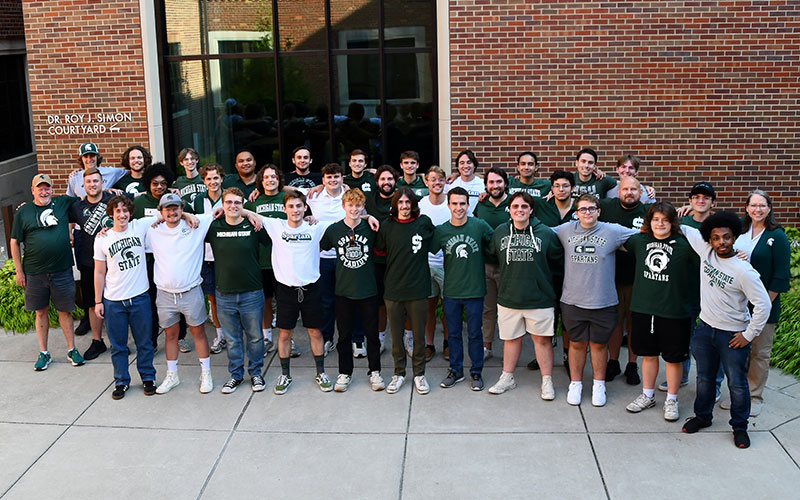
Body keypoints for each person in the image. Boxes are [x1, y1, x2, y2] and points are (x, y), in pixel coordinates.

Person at [680, 211, 771, 449]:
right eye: (717, 238)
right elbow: (684, 228)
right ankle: (703, 417)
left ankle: (740, 428)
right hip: (705, 329)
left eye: (727, 237)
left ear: (734, 238)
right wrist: (679, 210)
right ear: (709, 240)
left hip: (732, 336)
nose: (721, 242)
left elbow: (764, 304)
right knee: (704, 379)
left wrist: (748, 335)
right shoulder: (706, 251)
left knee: (737, 384)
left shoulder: (744, 270)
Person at [552, 193, 638, 406]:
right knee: (577, 344)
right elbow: (539, 233)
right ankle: (576, 383)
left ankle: (599, 384)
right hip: (573, 300)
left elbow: (646, 234)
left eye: (591, 209)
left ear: (599, 211)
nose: (587, 213)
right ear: (576, 213)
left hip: (603, 301)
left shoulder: (613, 231)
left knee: (599, 345)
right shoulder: (565, 230)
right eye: (583, 209)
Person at [622, 202, 698, 421]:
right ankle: (647, 395)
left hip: (675, 311)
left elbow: (710, 258)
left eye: (665, 220)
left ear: (673, 222)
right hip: (644, 309)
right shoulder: (639, 241)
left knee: (673, 359)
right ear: (649, 221)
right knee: (648, 355)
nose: (660, 224)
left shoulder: (685, 245)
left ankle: (672, 399)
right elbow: (614, 242)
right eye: (655, 219)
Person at [486, 192, 564, 398]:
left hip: (539, 298)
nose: (519, 210)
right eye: (515, 207)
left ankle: (547, 381)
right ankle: (507, 377)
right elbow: (492, 255)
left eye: (524, 207)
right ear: (509, 210)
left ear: (531, 210)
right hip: (509, 297)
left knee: (542, 341)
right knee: (511, 339)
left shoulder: (546, 233)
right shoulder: (500, 232)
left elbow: (557, 262)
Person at [721, 190, 790, 417]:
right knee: (738, 352)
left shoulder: (776, 236)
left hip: (763, 305)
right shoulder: (740, 228)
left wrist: (763, 305)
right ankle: (738, 395)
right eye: (753, 205)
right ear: (747, 207)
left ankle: (754, 396)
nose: (757, 210)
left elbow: (781, 276)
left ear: (769, 208)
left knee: (759, 353)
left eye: (762, 205)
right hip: (737, 304)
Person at [10, 173, 84, 371]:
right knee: (40, 312)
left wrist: (111, 190)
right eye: (39, 188)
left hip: (61, 271)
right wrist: (19, 271)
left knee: (65, 311)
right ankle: (44, 352)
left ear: (52, 189)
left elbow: (88, 199)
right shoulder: (23, 212)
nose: (44, 191)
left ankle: (71, 350)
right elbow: (14, 241)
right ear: (32, 190)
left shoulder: (62, 203)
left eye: (47, 188)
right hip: (35, 272)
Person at [147, 193, 215, 395]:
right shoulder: (152, 229)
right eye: (167, 208)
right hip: (165, 293)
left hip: (191, 290)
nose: (172, 212)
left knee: (198, 333)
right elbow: (123, 224)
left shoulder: (196, 224)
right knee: (171, 335)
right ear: (160, 212)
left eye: (176, 207)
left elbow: (219, 212)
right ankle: (172, 375)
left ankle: (206, 373)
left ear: (182, 208)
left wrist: (187, 215)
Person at [320, 188, 385, 391]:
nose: (354, 209)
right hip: (344, 291)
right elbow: (319, 247)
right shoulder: (334, 230)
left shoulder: (370, 227)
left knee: (372, 335)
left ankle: (375, 372)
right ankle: (344, 373)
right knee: (344, 336)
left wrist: (369, 217)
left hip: (368, 290)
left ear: (362, 206)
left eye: (358, 205)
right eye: (351, 205)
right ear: (344, 206)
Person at [205, 188, 269, 394]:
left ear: (243, 205)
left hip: (251, 292)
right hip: (224, 293)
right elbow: (188, 222)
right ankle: (236, 375)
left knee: (255, 337)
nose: (233, 206)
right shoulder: (213, 227)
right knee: (232, 340)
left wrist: (250, 214)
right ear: (222, 205)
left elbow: (277, 231)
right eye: (229, 202)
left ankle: (256, 373)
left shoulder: (254, 226)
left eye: (238, 203)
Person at [93, 195, 156, 399]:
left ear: (130, 212)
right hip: (114, 301)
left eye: (125, 210)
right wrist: (97, 301)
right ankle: (121, 381)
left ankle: (148, 377)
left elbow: (166, 213)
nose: (122, 214)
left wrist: (190, 216)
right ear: (111, 214)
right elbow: (99, 272)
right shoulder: (103, 238)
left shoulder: (139, 226)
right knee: (118, 345)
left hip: (139, 297)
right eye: (117, 211)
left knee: (145, 342)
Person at [431, 187, 493, 391]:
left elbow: (495, 244)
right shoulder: (441, 230)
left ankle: (476, 372)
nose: (459, 207)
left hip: (475, 290)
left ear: (468, 205)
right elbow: (426, 247)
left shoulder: (479, 226)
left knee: (475, 334)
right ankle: (456, 370)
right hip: (451, 291)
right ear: (448, 205)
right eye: (455, 203)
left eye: (462, 203)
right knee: (454, 334)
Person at [376, 187, 435, 395]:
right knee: (396, 334)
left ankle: (419, 374)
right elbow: (380, 250)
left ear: (413, 204)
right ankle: (399, 373)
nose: (404, 206)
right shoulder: (387, 226)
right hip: (393, 289)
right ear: (395, 205)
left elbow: (436, 242)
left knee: (419, 336)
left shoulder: (424, 222)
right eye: (400, 203)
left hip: (418, 288)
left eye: (407, 202)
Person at [599, 176, 652, 385]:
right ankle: (613, 361)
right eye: (625, 189)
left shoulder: (649, 212)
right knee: (614, 323)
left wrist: (688, 209)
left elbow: (671, 221)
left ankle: (632, 364)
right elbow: (579, 204)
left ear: (641, 193)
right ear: (618, 191)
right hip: (610, 277)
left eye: (634, 189)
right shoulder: (606, 206)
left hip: (638, 279)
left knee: (634, 324)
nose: (629, 193)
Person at [243, 164, 295, 357]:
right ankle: (267, 338)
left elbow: (301, 199)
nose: (270, 180)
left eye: (274, 176)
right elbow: (239, 213)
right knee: (265, 301)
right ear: (261, 181)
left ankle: (288, 338)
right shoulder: (253, 203)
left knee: (285, 301)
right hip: (261, 259)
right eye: (266, 177)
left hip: (284, 259)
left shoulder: (287, 198)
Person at [530, 170, 578, 372]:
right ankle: (543, 355)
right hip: (546, 271)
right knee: (546, 315)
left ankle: (568, 355)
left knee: (567, 317)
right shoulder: (542, 205)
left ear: (572, 188)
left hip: (573, 271)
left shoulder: (580, 208)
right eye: (557, 185)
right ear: (551, 188)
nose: (561, 189)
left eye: (565, 185)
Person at [68, 167, 113, 361]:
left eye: (96, 181)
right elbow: (59, 212)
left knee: (113, 302)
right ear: (83, 185)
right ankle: (97, 341)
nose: (92, 184)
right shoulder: (77, 207)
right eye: (88, 182)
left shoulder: (113, 201)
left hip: (113, 261)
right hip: (88, 261)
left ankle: (117, 341)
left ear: (102, 183)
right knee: (92, 303)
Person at [307, 163, 347, 357]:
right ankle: (327, 338)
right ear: (323, 180)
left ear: (342, 178)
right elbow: (284, 188)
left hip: (345, 258)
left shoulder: (349, 197)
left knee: (347, 300)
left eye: (336, 177)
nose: (333, 180)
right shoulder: (313, 197)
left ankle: (353, 340)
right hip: (321, 257)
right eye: (329, 177)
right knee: (325, 301)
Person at [473, 167, 511, 361]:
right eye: (491, 182)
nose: (495, 186)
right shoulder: (481, 205)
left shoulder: (514, 202)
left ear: (505, 183)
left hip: (510, 267)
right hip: (486, 265)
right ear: (486, 185)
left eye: (498, 182)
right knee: (487, 309)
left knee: (508, 310)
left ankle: (509, 348)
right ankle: (487, 346)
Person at [191, 163, 225, 354]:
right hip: (205, 254)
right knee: (212, 297)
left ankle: (231, 333)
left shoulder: (229, 197)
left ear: (221, 179)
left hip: (225, 253)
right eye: (209, 178)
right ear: (204, 181)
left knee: (227, 295)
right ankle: (220, 335)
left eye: (216, 177)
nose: (213, 181)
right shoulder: (198, 200)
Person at [418, 165, 451, 361]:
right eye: (433, 179)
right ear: (426, 182)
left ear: (445, 181)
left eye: (440, 179)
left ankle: (448, 343)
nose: (436, 183)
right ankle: (429, 344)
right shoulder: (421, 205)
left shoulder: (452, 203)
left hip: (449, 265)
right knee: (428, 307)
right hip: (426, 263)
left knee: (448, 307)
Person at [447, 150, 485, 215]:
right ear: (458, 167)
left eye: (469, 162)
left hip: (476, 222)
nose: (465, 166)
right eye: (462, 163)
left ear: (474, 165)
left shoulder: (483, 184)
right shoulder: (450, 184)